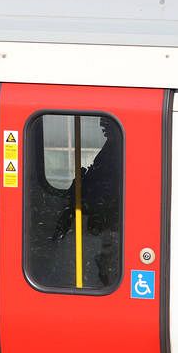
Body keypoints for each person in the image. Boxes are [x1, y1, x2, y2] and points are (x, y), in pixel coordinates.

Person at [53, 117, 122, 286]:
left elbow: (107, 182)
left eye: (105, 124)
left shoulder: (118, 148)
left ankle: (109, 279)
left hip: (112, 213)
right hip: (107, 212)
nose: (101, 126)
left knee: (111, 251)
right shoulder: (112, 146)